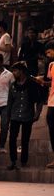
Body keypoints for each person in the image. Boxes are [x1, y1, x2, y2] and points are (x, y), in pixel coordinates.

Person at [6, 62, 43, 170]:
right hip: (15, 115)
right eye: (13, 71)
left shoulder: (31, 84)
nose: (14, 73)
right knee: (12, 139)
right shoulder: (13, 86)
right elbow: (10, 103)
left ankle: (24, 161)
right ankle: (13, 161)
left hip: (28, 115)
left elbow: (39, 101)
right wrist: (7, 119)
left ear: (21, 71)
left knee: (25, 140)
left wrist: (37, 114)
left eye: (15, 71)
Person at [45, 41, 54, 169]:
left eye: (49, 51)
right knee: (52, 129)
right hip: (52, 101)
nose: (47, 55)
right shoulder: (51, 65)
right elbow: (50, 83)